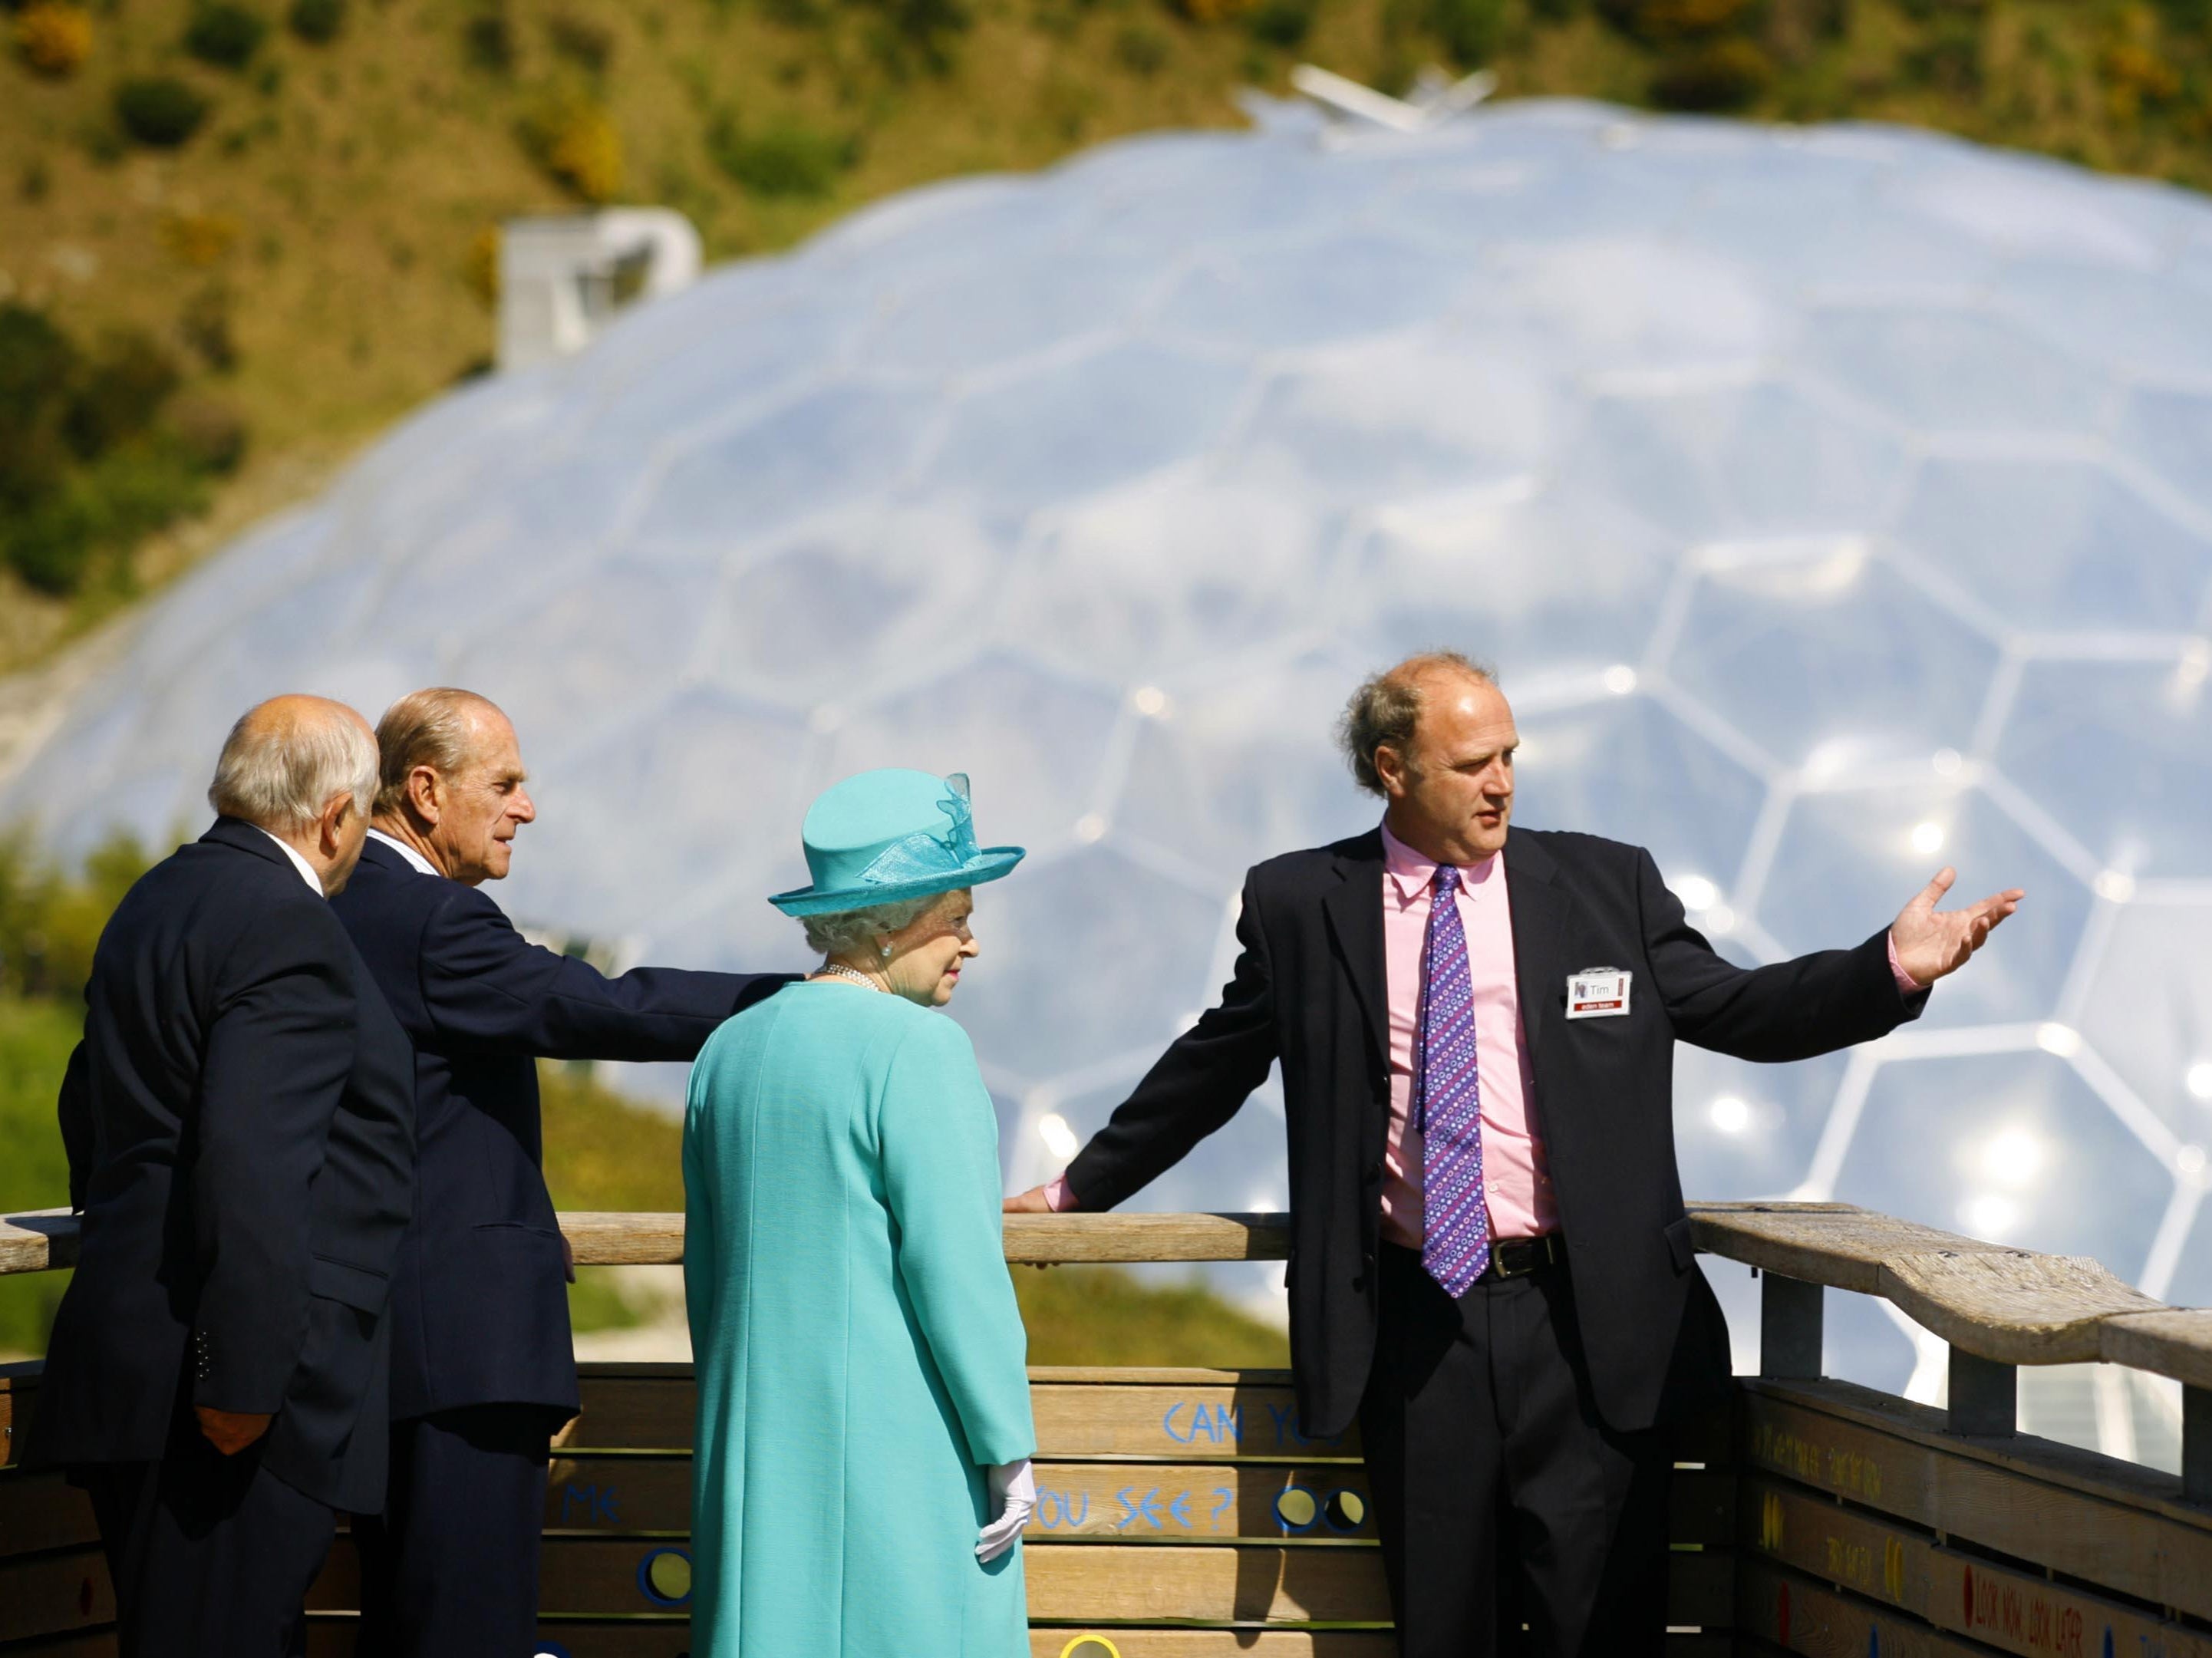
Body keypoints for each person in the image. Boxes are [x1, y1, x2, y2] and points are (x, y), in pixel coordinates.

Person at [1007, 652, 2024, 1658]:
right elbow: (1212, 1063)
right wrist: (1074, 1187)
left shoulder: (1601, 883)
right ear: (1391, 767)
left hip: (1589, 1327)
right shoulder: (1298, 904)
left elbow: (1739, 1007)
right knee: (1444, 1631)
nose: (1499, 781)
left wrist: (1886, 968)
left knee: (1602, 1630)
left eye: (1508, 755)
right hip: (1414, 1328)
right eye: (1469, 763)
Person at [328, 687, 793, 1658]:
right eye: (504, 784)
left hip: (385, 1350)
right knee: (468, 1630)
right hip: (462, 1359)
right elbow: (602, 1007)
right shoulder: (432, 920)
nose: (526, 808)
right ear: (423, 790)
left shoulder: (336, 905)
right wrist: (801, 1003)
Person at [23, 696, 414, 1657]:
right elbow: (256, 1167)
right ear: (335, 817)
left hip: (129, 1358)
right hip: (224, 1405)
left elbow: (90, 1098)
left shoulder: (153, 896)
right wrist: (236, 1381)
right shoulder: (289, 925)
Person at [684, 769, 1037, 1657]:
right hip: (900, 1450)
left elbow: (706, 1268)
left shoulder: (729, 1047)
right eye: (956, 914)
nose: (971, 942)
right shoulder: (920, 1049)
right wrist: (1007, 1442)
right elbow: (956, 1271)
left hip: (754, 1455)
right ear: (890, 922)